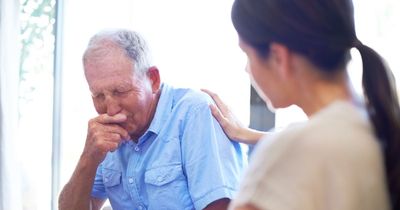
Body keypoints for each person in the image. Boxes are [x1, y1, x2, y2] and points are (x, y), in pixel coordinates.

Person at [203, 0, 400, 210]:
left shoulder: (289, 153)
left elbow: (305, 147)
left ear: (279, 57)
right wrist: (249, 134)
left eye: (247, 55)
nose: (246, 69)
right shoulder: (379, 125)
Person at [58, 29, 245, 210]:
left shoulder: (194, 112)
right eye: (98, 95)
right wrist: (88, 159)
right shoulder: (106, 135)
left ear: (153, 79)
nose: (111, 109)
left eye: (121, 91)